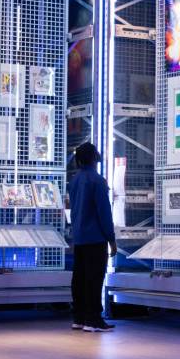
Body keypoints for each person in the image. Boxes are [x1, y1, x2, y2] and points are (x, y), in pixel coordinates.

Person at [67, 142, 115, 332]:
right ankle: (93, 319)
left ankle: (78, 317)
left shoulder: (75, 180)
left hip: (79, 237)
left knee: (79, 278)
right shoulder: (98, 181)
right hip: (95, 238)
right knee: (94, 278)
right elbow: (104, 212)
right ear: (94, 157)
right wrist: (111, 239)